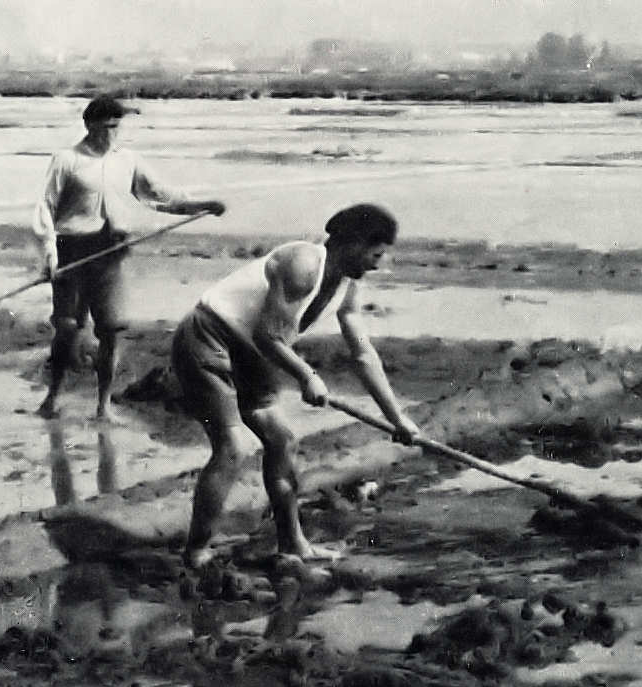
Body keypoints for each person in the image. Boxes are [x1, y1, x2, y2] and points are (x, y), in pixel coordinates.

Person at [171, 203, 420, 568]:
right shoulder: (303, 264)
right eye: (376, 254)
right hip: (209, 338)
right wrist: (307, 376)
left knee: (282, 439)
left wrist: (397, 419)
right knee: (234, 447)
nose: (378, 264)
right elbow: (269, 335)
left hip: (252, 354)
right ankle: (196, 551)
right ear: (354, 243)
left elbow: (363, 355)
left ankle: (293, 544)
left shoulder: (348, 285)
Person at [32, 94, 226, 422]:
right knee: (67, 328)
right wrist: (49, 255)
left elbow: (160, 195)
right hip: (72, 250)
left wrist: (202, 205)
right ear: (89, 125)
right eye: (106, 127)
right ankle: (52, 397)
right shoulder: (67, 160)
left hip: (112, 251)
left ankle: (103, 406)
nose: (112, 134)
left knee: (112, 330)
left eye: (116, 127)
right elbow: (46, 209)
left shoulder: (128, 160)